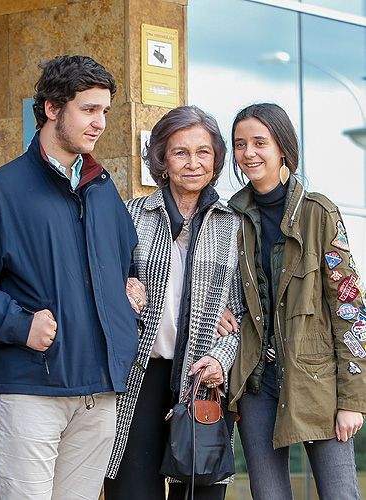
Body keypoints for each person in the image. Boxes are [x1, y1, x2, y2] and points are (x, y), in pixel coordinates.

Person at [0, 55, 140, 500]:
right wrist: (19, 324)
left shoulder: (104, 190)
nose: (99, 123)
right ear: (51, 108)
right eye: (89, 110)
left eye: (104, 111)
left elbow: (127, 260)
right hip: (29, 387)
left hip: (98, 388)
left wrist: (131, 290)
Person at [220, 102, 365, 499]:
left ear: (282, 147)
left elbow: (351, 312)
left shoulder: (320, 213)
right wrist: (217, 312)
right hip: (255, 383)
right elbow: (216, 287)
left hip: (316, 380)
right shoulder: (229, 217)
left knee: (340, 494)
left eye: (259, 142)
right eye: (240, 144)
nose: (248, 153)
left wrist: (353, 400)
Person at [104, 105, 244, 500]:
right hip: (139, 375)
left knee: (199, 490)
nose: (193, 163)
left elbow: (245, 312)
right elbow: (102, 283)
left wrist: (221, 357)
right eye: (181, 152)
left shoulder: (233, 224)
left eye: (203, 152)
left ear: (215, 159)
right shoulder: (132, 214)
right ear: (162, 159)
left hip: (201, 378)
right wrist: (124, 287)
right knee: (130, 490)